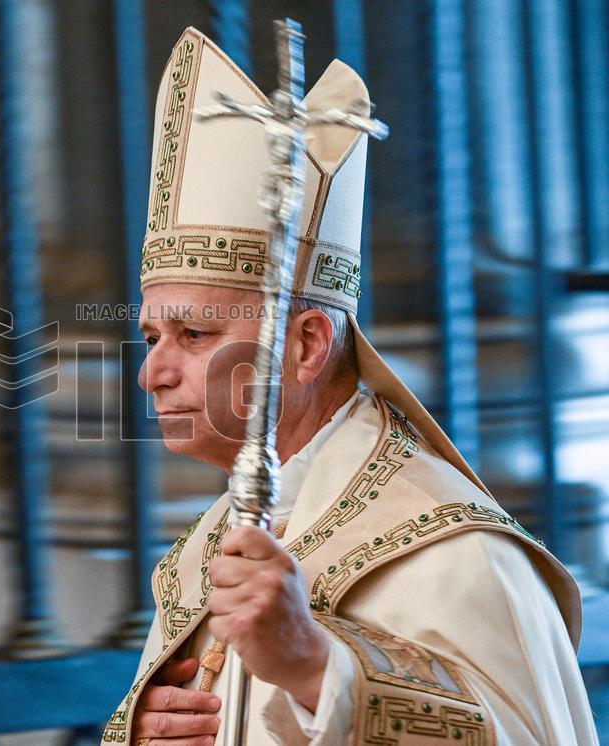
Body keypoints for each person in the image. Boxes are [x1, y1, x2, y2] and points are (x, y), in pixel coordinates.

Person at [102, 26, 598, 745]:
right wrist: (140, 729)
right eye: (152, 338)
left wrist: (312, 664)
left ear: (304, 346)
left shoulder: (451, 550)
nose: (153, 371)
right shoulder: (204, 551)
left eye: (195, 335)